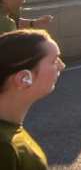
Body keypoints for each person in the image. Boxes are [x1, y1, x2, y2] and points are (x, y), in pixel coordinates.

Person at [0, 30, 65, 169]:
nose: (62, 66)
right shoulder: (5, 147)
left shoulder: (9, 132)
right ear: (23, 79)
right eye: (54, 61)